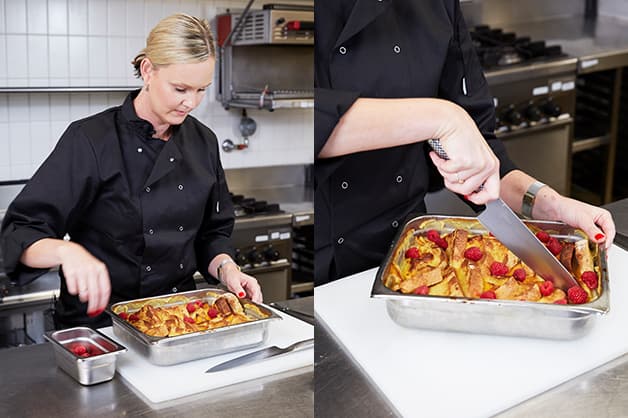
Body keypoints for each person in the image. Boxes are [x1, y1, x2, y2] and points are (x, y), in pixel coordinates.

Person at [314, 0, 615, 285]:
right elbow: (306, 118)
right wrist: (441, 118)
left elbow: (479, 149)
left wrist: (549, 207)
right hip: (322, 271)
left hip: (409, 258)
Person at [0, 13, 262, 329]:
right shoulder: (90, 139)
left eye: (201, 89)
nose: (191, 102)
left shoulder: (203, 140)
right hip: (100, 324)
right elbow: (20, 233)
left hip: (176, 319)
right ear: (148, 70)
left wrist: (227, 268)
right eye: (180, 88)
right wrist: (67, 251)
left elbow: (213, 234)